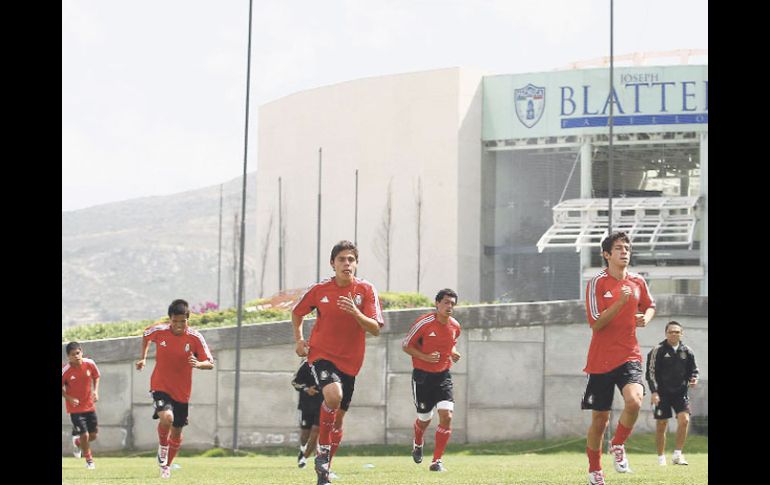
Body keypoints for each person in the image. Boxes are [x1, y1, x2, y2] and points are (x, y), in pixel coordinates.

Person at [292, 240, 384, 485]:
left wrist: (356, 312)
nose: (347, 263)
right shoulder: (320, 290)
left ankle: (324, 471)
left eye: (351, 259)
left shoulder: (366, 290)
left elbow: (375, 329)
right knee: (333, 397)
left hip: (351, 362)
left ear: (356, 264)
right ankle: (321, 454)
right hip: (322, 355)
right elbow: (297, 312)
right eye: (342, 259)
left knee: (338, 419)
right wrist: (300, 340)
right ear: (332, 264)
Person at [581, 232, 656, 485]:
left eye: (627, 248)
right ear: (606, 254)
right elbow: (596, 323)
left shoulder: (638, 281)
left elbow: (650, 305)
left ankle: (618, 444)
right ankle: (595, 470)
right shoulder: (596, 283)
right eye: (618, 248)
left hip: (629, 355)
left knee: (634, 402)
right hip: (600, 361)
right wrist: (620, 302)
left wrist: (645, 318)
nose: (625, 252)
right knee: (600, 420)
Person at [135, 299, 215, 479]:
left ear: (188, 319)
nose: (179, 325)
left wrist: (199, 364)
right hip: (160, 385)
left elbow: (210, 363)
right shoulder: (159, 331)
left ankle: (166, 466)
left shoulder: (195, 337)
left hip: (182, 392)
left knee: (177, 431)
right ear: (169, 319)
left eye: (182, 321)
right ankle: (163, 447)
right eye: (175, 321)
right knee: (167, 417)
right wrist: (143, 358)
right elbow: (145, 335)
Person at [402, 288, 461, 472]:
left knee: (447, 416)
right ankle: (418, 441)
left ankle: (437, 461)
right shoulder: (424, 323)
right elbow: (406, 345)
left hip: (443, 376)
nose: (449, 306)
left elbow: (450, 345)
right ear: (437, 304)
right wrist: (425, 357)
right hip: (422, 377)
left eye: (452, 303)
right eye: (446, 302)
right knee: (424, 419)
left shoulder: (455, 326)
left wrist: (453, 353)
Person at [645, 320, 699, 466]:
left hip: (681, 393)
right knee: (662, 424)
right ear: (666, 333)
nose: (674, 334)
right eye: (671, 331)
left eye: (677, 331)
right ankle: (661, 458)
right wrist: (654, 392)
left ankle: (677, 455)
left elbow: (693, 371)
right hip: (662, 394)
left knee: (684, 420)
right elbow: (650, 374)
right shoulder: (657, 350)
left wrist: (694, 379)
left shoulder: (687, 351)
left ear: (682, 333)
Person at [62, 341, 100, 469]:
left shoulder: (90, 363)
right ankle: (89, 461)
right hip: (75, 409)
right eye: (73, 355)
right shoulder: (65, 370)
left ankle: (78, 442)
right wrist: (68, 397)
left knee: (93, 435)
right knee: (85, 435)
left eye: (78, 353)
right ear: (69, 357)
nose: (76, 356)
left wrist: (95, 391)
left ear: (81, 352)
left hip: (89, 405)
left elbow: (96, 376)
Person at [292, 359, 324, 469]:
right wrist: (306, 389)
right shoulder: (306, 364)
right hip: (306, 404)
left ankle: (306, 459)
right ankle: (303, 449)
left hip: (322, 405)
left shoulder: (329, 364)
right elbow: (295, 382)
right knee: (305, 433)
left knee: (316, 430)